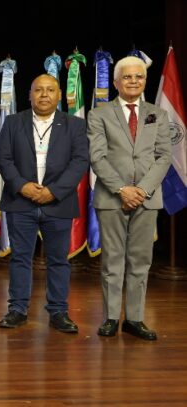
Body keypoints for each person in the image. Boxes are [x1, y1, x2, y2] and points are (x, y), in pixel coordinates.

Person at [0, 74, 88, 333]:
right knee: (20, 259)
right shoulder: (14, 122)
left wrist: (54, 191)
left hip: (58, 202)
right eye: (39, 90)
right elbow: (3, 158)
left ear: (59, 95)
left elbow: (80, 161)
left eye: (50, 90)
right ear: (30, 94)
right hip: (20, 201)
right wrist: (22, 185)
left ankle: (59, 311)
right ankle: (17, 309)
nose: (44, 95)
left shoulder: (74, 125)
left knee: (59, 260)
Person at [88, 56, 172, 340]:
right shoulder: (98, 114)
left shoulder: (157, 114)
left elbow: (164, 156)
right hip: (112, 198)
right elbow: (97, 158)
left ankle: (134, 319)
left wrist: (143, 190)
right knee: (113, 260)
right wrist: (122, 189)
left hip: (147, 199)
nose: (134, 81)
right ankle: (111, 317)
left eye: (138, 77)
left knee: (140, 261)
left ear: (145, 81)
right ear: (115, 82)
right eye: (127, 77)